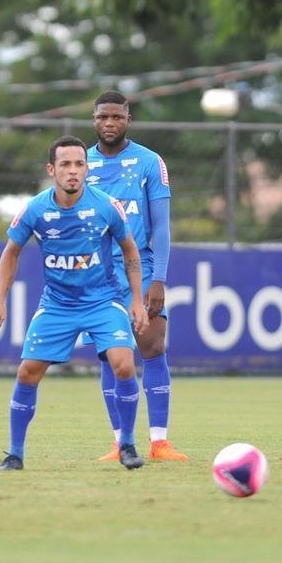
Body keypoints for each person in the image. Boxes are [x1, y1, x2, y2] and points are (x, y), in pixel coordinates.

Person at [0, 135, 150, 471]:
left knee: (124, 365)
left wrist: (136, 299)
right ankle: (14, 454)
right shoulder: (35, 209)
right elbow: (11, 252)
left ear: (87, 169)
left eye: (79, 164)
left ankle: (127, 445)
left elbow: (130, 248)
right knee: (27, 373)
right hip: (57, 304)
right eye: (65, 165)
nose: (73, 171)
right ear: (52, 170)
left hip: (103, 301)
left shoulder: (106, 205)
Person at [85, 90, 186, 462]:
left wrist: (159, 278)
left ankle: (159, 442)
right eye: (103, 117)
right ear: (94, 120)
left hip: (140, 266)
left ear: (128, 119)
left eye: (117, 116)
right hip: (98, 273)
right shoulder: (81, 163)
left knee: (153, 346)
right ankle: (120, 442)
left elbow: (161, 226)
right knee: (110, 355)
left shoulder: (149, 162)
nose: (110, 123)